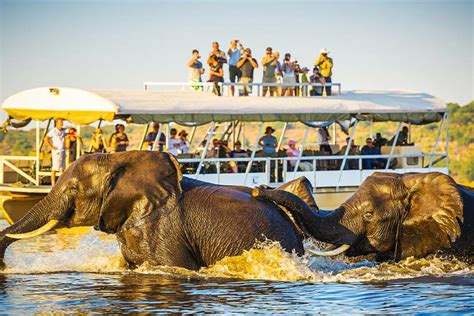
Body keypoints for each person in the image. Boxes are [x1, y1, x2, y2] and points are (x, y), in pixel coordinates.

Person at [46, 118, 66, 186]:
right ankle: (53, 183)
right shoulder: (53, 130)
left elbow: (71, 133)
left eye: (62, 122)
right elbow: (46, 138)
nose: (61, 124)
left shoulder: (64, 130)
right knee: (55, 167)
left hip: (62, 151)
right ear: (57, 123)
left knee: (62, 168)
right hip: (56, 151)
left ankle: (62, 183)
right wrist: (52, 147)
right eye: (60, 122)